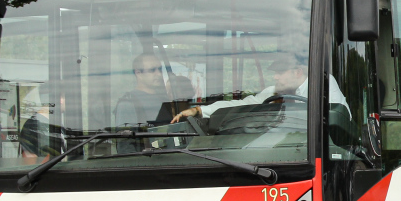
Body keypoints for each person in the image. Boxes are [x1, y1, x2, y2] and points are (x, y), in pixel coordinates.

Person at [171, 59, 348, 122]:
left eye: (280, 72)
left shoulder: (322, 84)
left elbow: (339, 117)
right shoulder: (274, 92)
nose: (275, 77)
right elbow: (241, 105)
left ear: (298, 72)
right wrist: (199, 110)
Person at [114, 52, 174, 127]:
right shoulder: (127, 103)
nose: (159, 74)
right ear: (138, 73)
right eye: (152, 70)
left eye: (160, 69)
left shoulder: (164, 100)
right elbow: (125, 133)